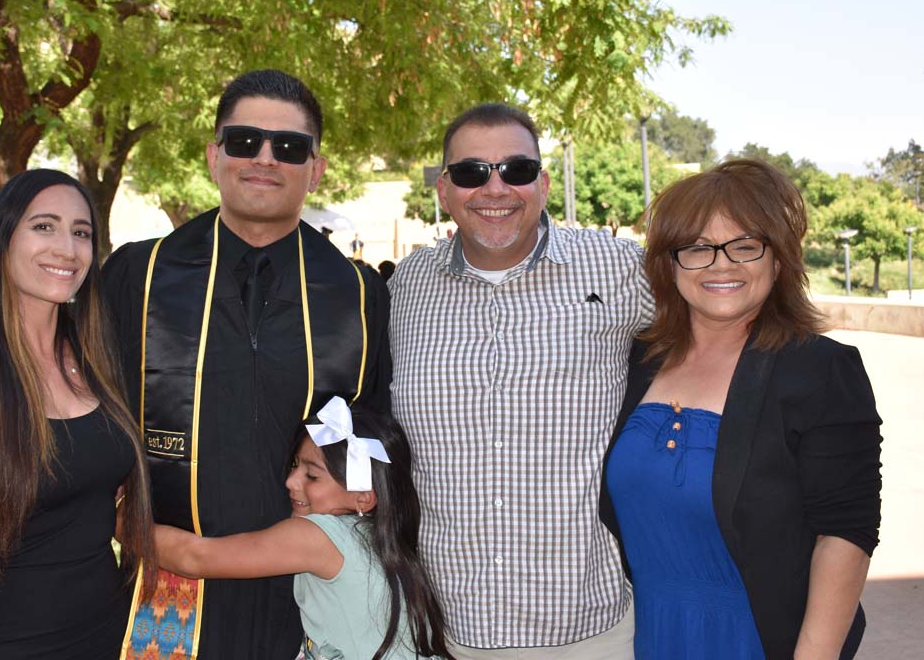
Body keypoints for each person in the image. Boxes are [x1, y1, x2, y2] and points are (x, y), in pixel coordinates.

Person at [103, 69, 392, 660]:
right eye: (244, 141)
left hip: (310, 589)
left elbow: (373, 443)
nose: (265, 159)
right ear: (214, 156)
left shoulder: (358, 294)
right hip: (169, 583)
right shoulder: (139, 275)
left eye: (289, 147)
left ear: (317, 168)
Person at [388, 103, 653, 658]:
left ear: (543, 182)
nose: (495, 187)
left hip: (592, 631)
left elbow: (724, 326)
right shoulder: (406, 288)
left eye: (516, 170)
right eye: (471, 172)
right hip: (445, 632)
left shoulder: (620, 270)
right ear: (444, 189)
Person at [599, 159, 882, 659]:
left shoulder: (821, 370)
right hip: (645, 637)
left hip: (757, 641)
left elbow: (845, 534)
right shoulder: (638, 361)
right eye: (697, 248)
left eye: (745, 245)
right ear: (669, 263)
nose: (721, 264)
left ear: (778, 260)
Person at [0, 169, 157, 659]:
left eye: (81, 232)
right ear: (3, 240)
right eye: (44, 226)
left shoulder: (93, 362)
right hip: (11, 644)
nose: (67, 248)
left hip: (110, 636)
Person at [155, 397, 451, 660]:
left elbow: (193, 557)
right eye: (294, 465)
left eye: (312, 475)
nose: (290, 482)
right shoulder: (380, 540)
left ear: (363, 496)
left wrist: (117, 518)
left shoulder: (317, 537)